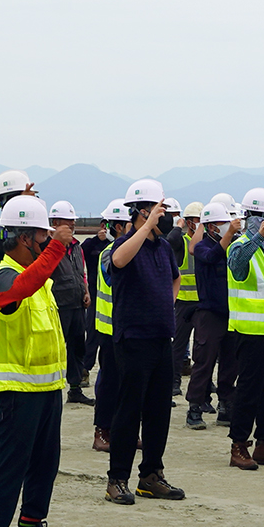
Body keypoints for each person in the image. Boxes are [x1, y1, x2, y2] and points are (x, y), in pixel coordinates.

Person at [0, 195, 75, 527]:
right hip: (14, 392)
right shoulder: (3, 274)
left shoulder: (39, 277)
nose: (45, 243)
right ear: (22, 238)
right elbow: (17, 291)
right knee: (9, 467)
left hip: (46, 389)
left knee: (45, 464)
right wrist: (55, 249)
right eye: (40, 236)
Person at [101, 179, 186, 504]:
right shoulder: (123, 244)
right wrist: (146, 225)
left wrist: (167, 303)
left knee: (158, 410)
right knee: (129, 409)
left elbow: (175, 277)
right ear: (143, 211)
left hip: (161, 336)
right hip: (132, 337)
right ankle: (117, 479)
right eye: (160, 210)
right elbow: (119, 261)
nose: (165, 217)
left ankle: (151, 475)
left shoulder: (163, 247)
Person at [224, 187, 264, 470]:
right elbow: (237, 266)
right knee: (248, 391)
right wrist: (257, 237)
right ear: (256, 218)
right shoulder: (240, 245)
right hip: (248, 332)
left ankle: (263, 441)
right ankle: (238, 444)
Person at [185, 202, 237, 429]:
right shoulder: (203, 247)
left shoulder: (233, 246)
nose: (227, 227)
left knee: (230, 364)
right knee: (203, 363)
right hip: (209, 314)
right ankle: (194, 408)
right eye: (222, 224)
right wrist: (230, 235)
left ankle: (225, 405)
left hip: (231, 314)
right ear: (211, 227)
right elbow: (213, 255)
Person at [87, 199, 133, 449]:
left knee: (130, 384)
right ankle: (102, 431)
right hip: (110, 329)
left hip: (131, 329)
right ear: (118, 226)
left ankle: (123, 430)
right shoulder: (110, 253)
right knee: (110, 382)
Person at [47, 201, 92, 405]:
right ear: (55, 222)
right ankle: (51, 387)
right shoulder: (47, 246)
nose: (72, 225)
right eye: (68, 222)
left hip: (76, 304)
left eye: (73, 221)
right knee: (56, 349)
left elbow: (81, 272)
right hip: (58, 305)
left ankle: (75, 389)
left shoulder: (76, 247)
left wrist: (86, 291)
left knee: (77, 347)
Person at [165, 198, 199, 392]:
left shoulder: (205, 244)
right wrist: (179, 226)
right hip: (184, 303)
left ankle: (205, 382)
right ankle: (174, 381)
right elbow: (170, 241)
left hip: (202, 304)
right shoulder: (182, 242)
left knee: (202, 349)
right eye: (194, 219)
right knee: (178, 345)